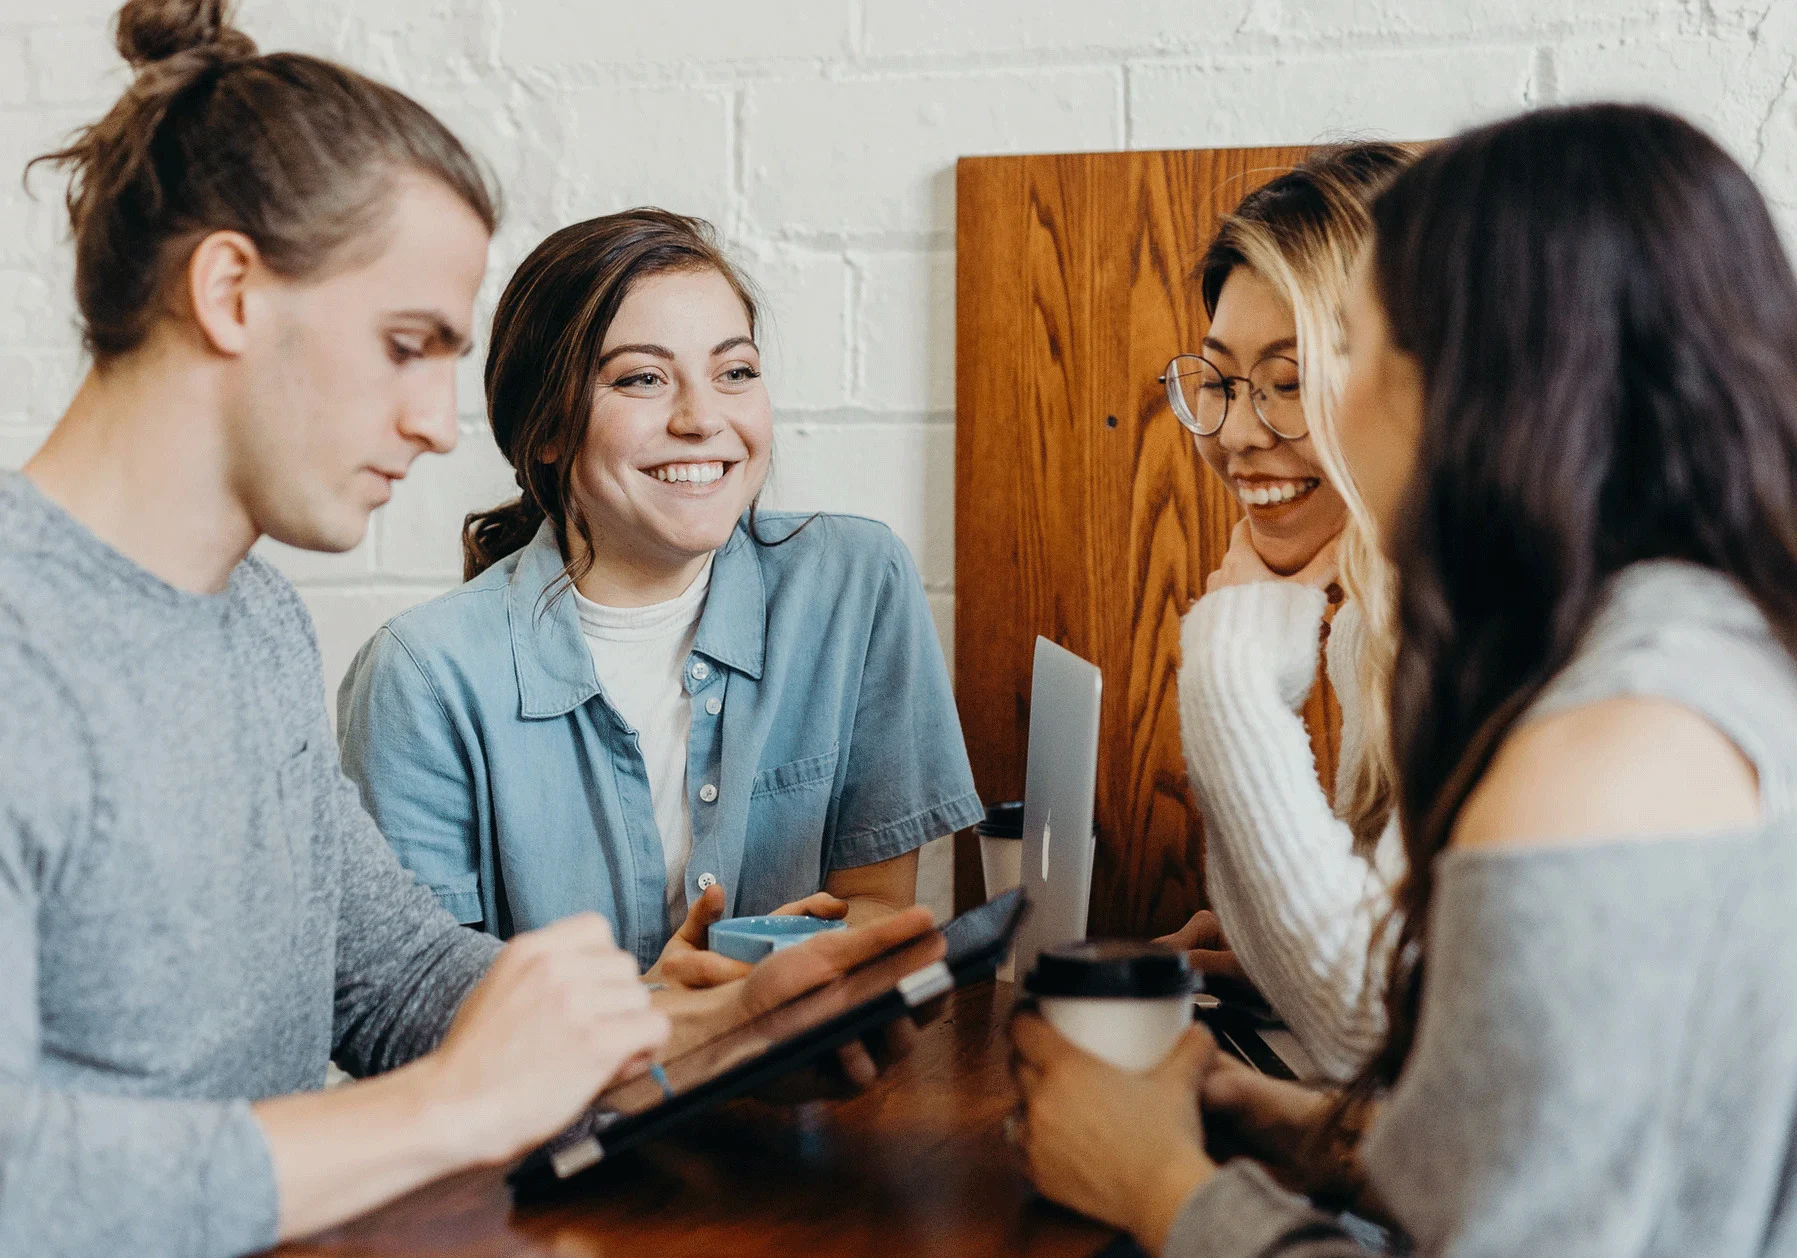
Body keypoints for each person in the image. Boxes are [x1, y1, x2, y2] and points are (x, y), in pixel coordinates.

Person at [0, 5, 935, 1255]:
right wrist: (452, 1108)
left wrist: (709, 1037)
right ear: (228, 292)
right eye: (405, 346)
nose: (446, 425)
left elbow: (387, 977)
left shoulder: (253, 620)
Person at [1011, 103, 1797, 1256]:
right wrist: (1284, 1126)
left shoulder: (1599, 755)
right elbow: (1555, 1162)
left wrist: (1161, 1187)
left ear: (1489, 381)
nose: (1296, 415)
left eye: (1362, 344)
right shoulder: (1701, 654)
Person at [337, 208, 983, 978]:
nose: (702, 418)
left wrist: (787, 974)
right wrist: (669, 1016)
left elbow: (877, 904)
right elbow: (416, 1005)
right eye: (641, 378)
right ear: (544, 428)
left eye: (734, 372)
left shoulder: (853, 583)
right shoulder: (420, 677)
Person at [1157, 143, 1411, 1080]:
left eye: (1290, 380)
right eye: (1219, 381)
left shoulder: (1481, 630)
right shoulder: (1373, 622)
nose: (1234, 433)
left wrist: (1228, 668)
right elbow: (1386, 989)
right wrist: (1271, 949)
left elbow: (1369, 1032)